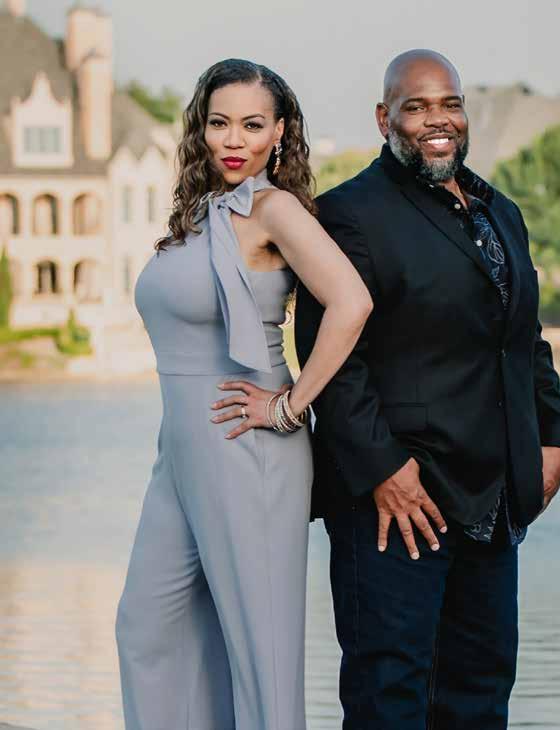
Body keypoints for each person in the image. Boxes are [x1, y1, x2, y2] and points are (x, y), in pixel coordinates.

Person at [295, 49, 560, 730]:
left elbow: (524, 340)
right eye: (416, 106)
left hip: (495, 501)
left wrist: (556, 440)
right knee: (389, 699)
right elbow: (333, 362)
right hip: (396, 503)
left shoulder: (501, 212)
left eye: (449, 104)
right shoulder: (347, 214)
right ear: (384, 118)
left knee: (480, 698)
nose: (436, 119)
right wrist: (384, 471)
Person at [115, 58, 372, 730]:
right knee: (146, 629)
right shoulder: (199, 213)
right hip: (180, 455)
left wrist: (289, 406)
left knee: (262, 657)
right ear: (200, 129)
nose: (234, 140)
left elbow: (351, 302)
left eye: (253, 125)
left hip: (248, 446)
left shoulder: (273, 208)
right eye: (220, 123)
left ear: (279, 132)